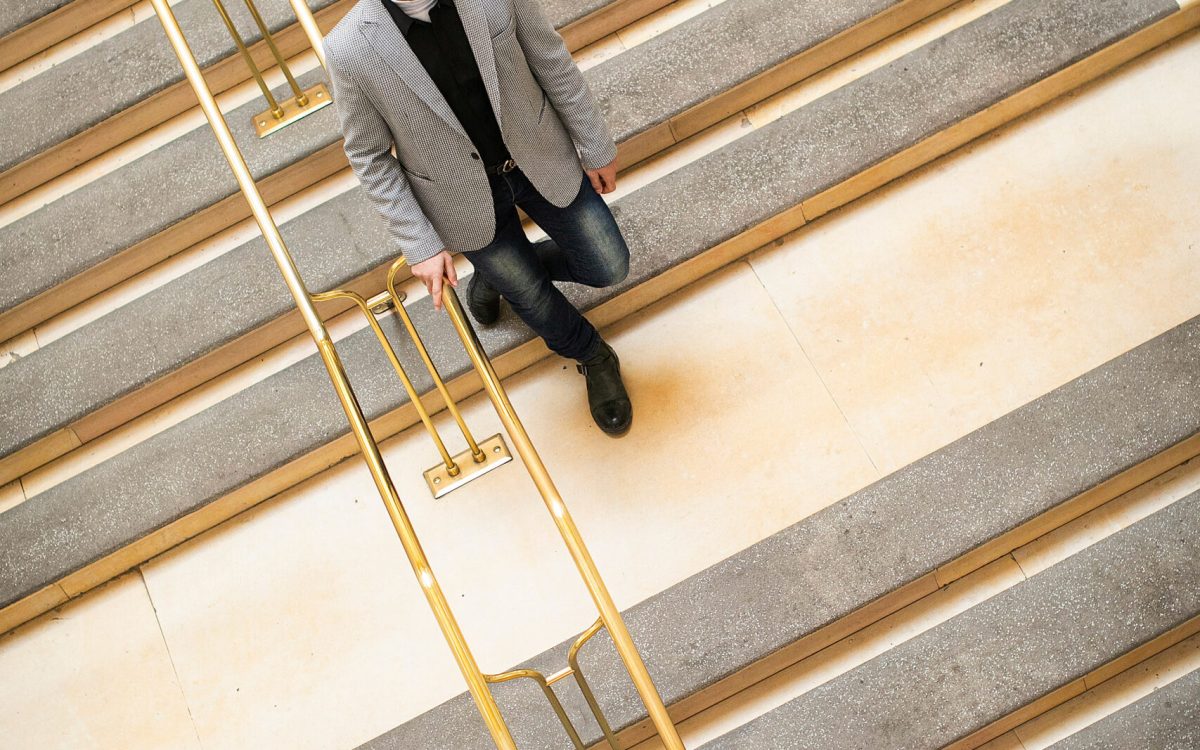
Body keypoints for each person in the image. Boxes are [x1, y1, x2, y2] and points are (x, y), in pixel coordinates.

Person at [322, 0, 634, 436]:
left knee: (609, 265)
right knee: (533, 297)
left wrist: (594, 142)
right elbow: (368, 155)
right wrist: (420, 243)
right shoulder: (348, 48)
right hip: (458, 198)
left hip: (540, 156)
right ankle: (591, 354)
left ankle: (498, 278)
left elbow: (550, 59)